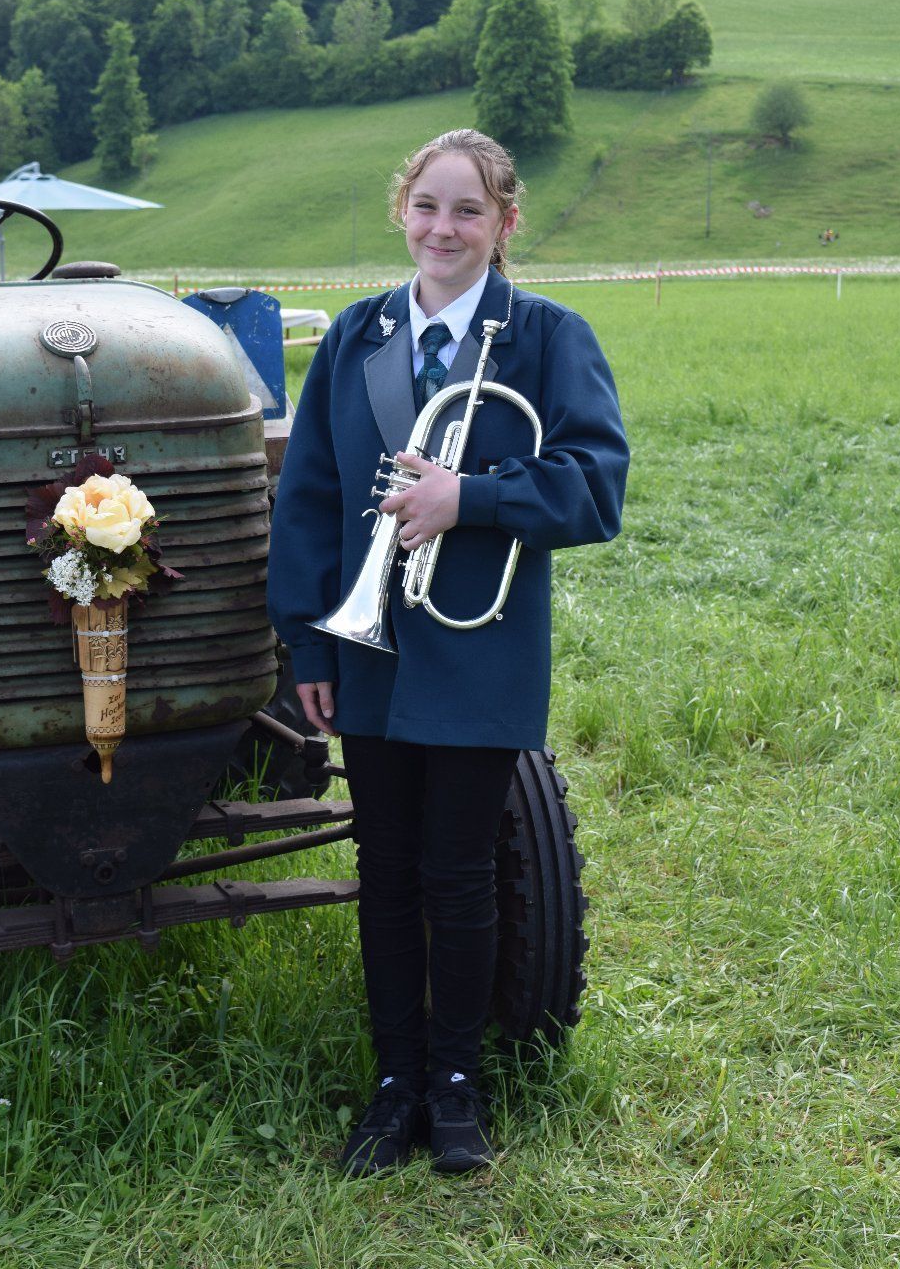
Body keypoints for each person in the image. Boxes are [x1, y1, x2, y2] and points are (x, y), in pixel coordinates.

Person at [267, 129, 629, 1175]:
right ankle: (393, 1084)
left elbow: (594, 485)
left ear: (505, 224)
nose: (444, 228)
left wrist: (464, 498)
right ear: (402, 210)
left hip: (480, 653)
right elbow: (310, 500)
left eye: (469, 211)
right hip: (366, 650)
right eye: (428, 205)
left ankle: (458, 1086)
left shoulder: (548, 336)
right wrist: (307, 641)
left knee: (462, 872)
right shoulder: (355, 334)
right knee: (385, 870)